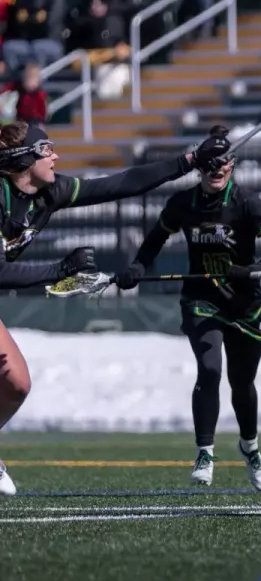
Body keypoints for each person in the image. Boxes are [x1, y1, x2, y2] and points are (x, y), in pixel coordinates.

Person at [0, 121, 228, 496]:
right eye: (46, 150)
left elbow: (120, 184)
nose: (55, 156)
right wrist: (58, 270)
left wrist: (189, 161)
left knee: (16, 384)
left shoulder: (50, 192)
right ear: (23, 158)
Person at [114, 125, 261, 491]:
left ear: (232, 165)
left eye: (222, 164)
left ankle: (250, 447)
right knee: (209, 370)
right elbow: (154, 240)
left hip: (245, 305)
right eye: (209, 165)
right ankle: (205, 453)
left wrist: (251, 270)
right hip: (201, 300)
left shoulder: (247, 202)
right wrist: (137, 267)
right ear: (199, 168)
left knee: (242, 382)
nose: (216, 171)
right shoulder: (183, 203)